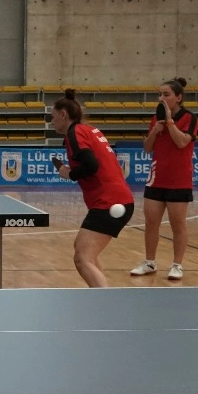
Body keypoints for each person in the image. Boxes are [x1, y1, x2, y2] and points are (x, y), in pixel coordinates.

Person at [50, 89, 135, 288]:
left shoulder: (75, 133)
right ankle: (99, 293)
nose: (51, 122)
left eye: (52, 117)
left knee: (83, 258)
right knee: (86, 253)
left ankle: (104, 302)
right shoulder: (88, 130)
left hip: (109, 202)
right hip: (116, 199)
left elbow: (91, 165)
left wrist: (70, 174)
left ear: (63, 114)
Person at [129, 77, 198, 281]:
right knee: (151, 223)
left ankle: (177, 265)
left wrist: (169, 123)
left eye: (166, 94)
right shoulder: (155, 118)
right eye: (159, 94)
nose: (161, 98)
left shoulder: (190, 118)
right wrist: (155, 130)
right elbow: (147, 148)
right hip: (156, 178)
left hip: (179, 179)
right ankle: (150, 262)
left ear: (178, 97)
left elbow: (181, 142)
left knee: (178, 225)